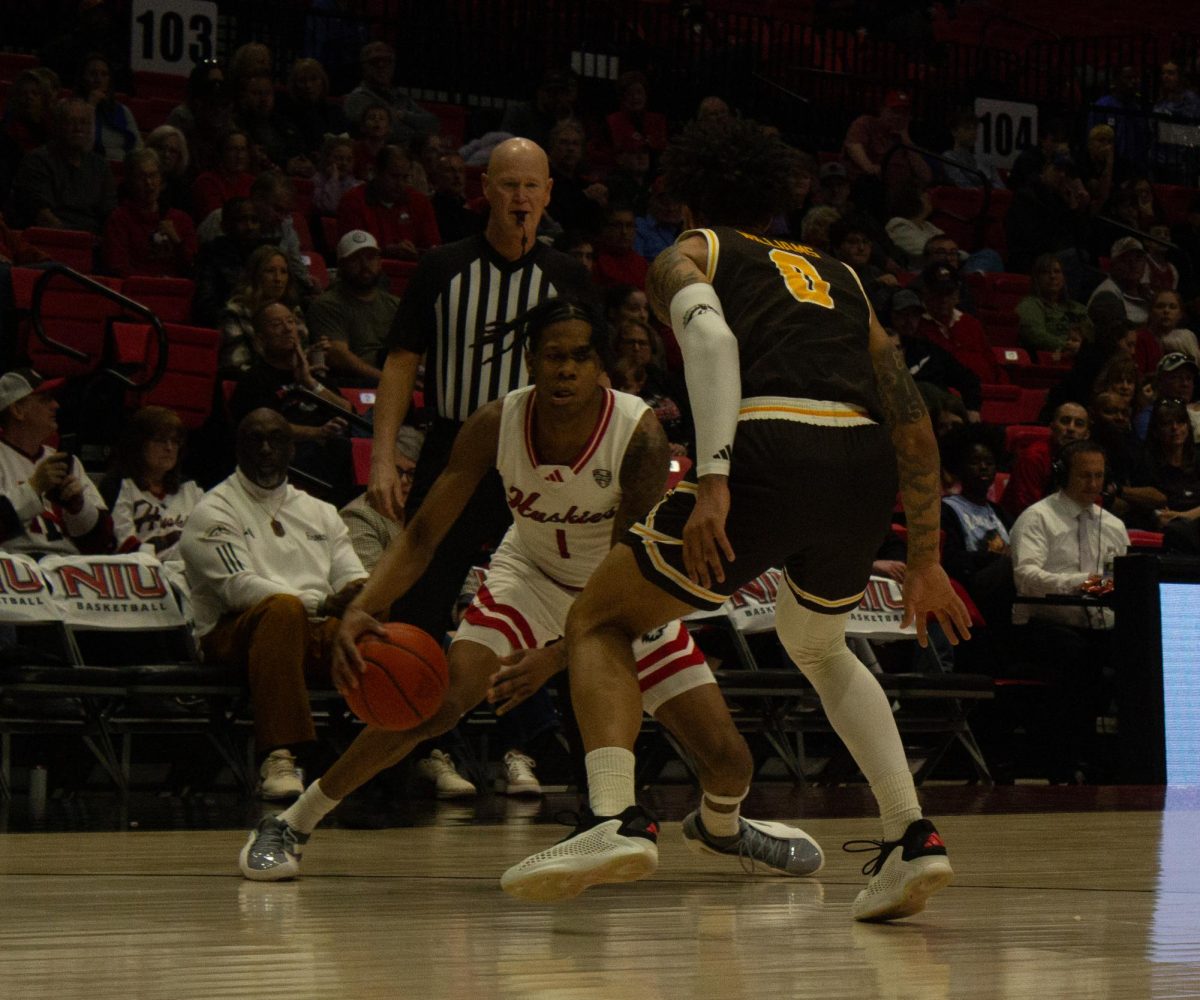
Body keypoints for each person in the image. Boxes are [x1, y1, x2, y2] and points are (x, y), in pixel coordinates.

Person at [500, 118, 970, 920]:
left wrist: (714, 481)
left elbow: (711, 339)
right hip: (861, 466)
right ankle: (910, 836)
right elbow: (914, 421)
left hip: (772, 448)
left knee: (600, 619)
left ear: (688, 194)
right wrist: (924, 560)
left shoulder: (692, 253)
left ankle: (615, 814)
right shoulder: (842, 276)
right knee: (817, 643)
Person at [241, 299, 823, 881]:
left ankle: (721, 829)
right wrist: (362, 609)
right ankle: (293, 820)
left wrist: (555, 659)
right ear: (529, 363)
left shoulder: (637, 434)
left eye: (579, 357)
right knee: (440, 700)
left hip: (621, 598)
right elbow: (421, 536)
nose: (565, 369)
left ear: (602, 366)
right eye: (552, 356)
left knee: (729, 762)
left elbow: (623, 580)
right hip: (530, 577)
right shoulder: (497, 424)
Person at [362, 137, 592, 647]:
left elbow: (596, 375)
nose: (520, 198)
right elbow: (401, 362)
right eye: (509, 185)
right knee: (420, 593)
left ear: (549, 193)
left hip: (540, 455)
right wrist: (382, 455)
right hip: (453, 447)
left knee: (548, 597)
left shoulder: (569, 277)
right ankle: (412, 715)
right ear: (485, 188)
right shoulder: (442, 267)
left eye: (531, 186)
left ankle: (527, 720)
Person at [181, 409, 367, 799]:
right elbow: (237, 588)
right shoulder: (213, 510)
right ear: (238, 448)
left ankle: (403, 758)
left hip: (316, 630)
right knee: (283, 610)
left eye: (276, 439)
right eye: (255, 439)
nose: (265, 449)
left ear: (292, 449)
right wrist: (325, 602)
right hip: (234, 635)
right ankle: (280, 756)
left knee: (379, 619)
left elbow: (352, 576)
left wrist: (359, 597)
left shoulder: (321, 511)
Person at [1009, 438, 1130, 778]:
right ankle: (1064, 758)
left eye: (1099, 476)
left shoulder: (1114, 526)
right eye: (1085, 476)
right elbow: (1026, 577)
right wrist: (1083, 582)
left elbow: (1120, 577)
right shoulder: (1037, 518)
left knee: (1135, 653)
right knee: (1078, 656)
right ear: (1063, 474)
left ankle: (1120, 760)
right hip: (1043, 625)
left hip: (1099, 624)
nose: (1094, 484)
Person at [229, 302, 352, 504]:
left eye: (290, 321)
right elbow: (262, 429)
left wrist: (310, 383)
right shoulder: (254, 380)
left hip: (330, 451)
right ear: (260, 339)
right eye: (277, 324)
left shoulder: (310, 375)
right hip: (288, 457)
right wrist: (318, 433)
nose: (287, 328)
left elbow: (348, 411)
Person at [0, 367, 114, 557]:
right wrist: (34, 488)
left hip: (67, 570)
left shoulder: (67, 462)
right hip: (15, 569)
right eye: (45, 399)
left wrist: (78, 508)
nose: (56, 405)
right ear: (17, 410)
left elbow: (105, 542)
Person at [105, 405, 202, 563]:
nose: (169, 448)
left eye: (175, 441)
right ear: (139, 445)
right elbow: (124, 546)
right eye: (160, 441)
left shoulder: (190, 488)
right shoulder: (119, 485)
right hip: (142, 574)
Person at [9, 97, 116, 234]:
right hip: (51, 240)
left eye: (84, 122)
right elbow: (42, 216)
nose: (78, 128)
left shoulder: (100, 166)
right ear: (57, 126)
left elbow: (110, 215)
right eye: (71, 122)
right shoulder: (37, 161)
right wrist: (76, 240)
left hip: (93, 242)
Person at [305, 230, 399, 386]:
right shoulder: (326, 305)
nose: (364, 265)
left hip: (394, 377)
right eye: (355, 259)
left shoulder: (395, 304)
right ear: (341, 266)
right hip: (353, 383)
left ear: (379, 262)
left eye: (370, 257)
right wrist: (389, 381)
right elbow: (337, 356)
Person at [886, 289, 981, 421]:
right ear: (891, 316)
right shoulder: (877, 351)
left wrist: (973, 409)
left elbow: (968, 379)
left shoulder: (928, 349)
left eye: (914, 315)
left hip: (942, 420)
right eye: (903, 315)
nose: (909, 321)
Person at [102, 148, 198, 278]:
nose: (149, 183)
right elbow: (118, 267)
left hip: (176, 291)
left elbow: (194, 266)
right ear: (130, 182)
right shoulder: (119, 219)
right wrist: (155, 282)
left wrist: (176, 241)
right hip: (135, 291)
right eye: (141, 177)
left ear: (161, 179)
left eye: (153, 175)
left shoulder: (180, 219)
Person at [336, 144, 440, 260]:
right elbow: (352, 252)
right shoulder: (353, 201)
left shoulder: (420, 201)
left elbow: (433, 248)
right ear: (376, 172)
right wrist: (385, 251)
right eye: (394, 176)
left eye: (405, 177)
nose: (400, 184)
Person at [219, 245, 311, 374]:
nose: (278, 279)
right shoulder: (235, 313)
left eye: (283, 272)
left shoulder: (293, 310)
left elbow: (302, 353)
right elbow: (235, 365)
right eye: (270, 271)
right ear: (255, 275)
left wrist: (313, 356)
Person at [341, 42, 440, 147]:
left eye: (387, 61)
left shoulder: (401, 97)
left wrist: (405, 116)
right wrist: (419, 134)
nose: (381, 65)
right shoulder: (357, 98)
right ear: (364, 67)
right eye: (374, 62)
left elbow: (434, 124)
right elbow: (387, 133)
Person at [915, 263, 1000, 384]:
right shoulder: (917, 324)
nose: (943, 299)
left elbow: (992, 363)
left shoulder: (971, 323)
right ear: (926, 293)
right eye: (938, 292)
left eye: (948, 293)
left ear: (957, 295)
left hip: (987, 392)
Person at [1002, 402, 1091, 518]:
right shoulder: (1033, 457)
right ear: (1052, 427)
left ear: (1086, 435)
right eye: (1065, 421)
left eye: (1079, 424)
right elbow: (1028, 509)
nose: (1071, 428)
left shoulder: (1089, 460)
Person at [191, 196, 267, 328]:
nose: (249, 227)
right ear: (225, 226)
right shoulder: (211, 254)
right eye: (242, 220)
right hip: (229, 327)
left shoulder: (265, 254)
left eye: (254, 220)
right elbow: (206, 306)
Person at [1016, 254, 1093, 354]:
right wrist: (1066, 345)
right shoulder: (1030, 305)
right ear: (1037, 278)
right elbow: (1034, 335)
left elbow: (1092, 335)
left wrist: (1082, 340)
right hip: (1049, 359)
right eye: (1046, 272)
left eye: (1057, 272)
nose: (1052, 276)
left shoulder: (1077, 307)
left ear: (1064, 277)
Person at [75, 52, 140, 162]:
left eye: (104, 74)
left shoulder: (123, 111)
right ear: (83, 78)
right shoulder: (71, 108)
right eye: (93, 74)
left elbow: (137, 147)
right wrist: (91, 106)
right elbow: (80, 147)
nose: (98, 79)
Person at [1088, 238, 1152, 330]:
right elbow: (1119, 339)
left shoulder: (1148, 293)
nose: (1133, 264)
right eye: (1126, 259)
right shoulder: (1105, 296)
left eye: (1138, 258)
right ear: (1113, 264)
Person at [191, 129, 254, 221]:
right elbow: (216, 219)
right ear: (221, 153)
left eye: (243, 149)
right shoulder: (207, 182)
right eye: (233, 150)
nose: (239, 156)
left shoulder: (252, 181)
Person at [144, 125, 194, 217]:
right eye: (161, 148)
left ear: (179, 157)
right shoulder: (137, 181)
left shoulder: (182, 191)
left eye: (172, 151)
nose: (166, 155)